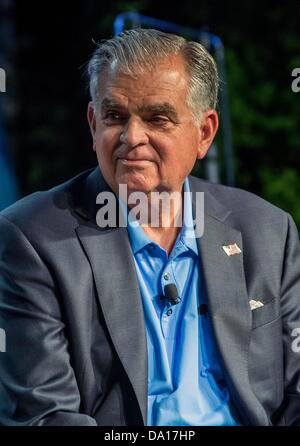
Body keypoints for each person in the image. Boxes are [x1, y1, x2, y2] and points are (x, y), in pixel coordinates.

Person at [0, 28, 300, 427]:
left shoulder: (269, 231)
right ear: (93, 124)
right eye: (115, 116)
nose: (131, 138)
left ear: (204, 133)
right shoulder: (31, 239)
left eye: (157, 118)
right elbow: (45, 416)